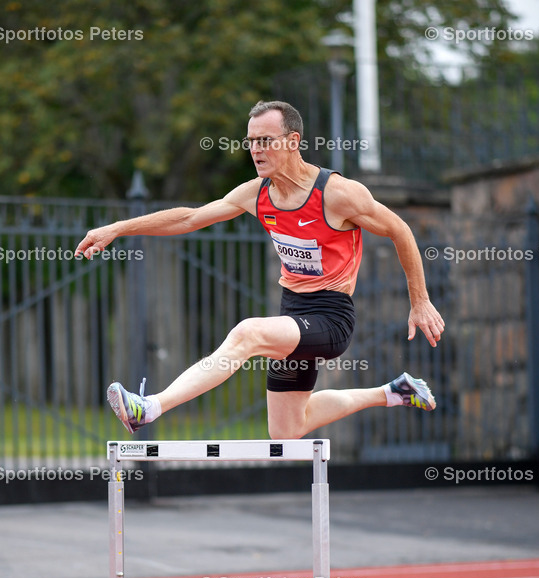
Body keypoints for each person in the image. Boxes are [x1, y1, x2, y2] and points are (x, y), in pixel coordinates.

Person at [76, 101, 444, 438]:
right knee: (286, 430)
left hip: (330, 318)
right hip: (291, 315)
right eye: (251, 141)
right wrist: (118, 228)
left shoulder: (337, 194)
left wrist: (420, 301)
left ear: (293, 141)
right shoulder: (256, 194)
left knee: (248, 333)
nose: (256, 150)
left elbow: (399, 230)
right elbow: (189, 218)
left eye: (266, 140)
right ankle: (393, 392)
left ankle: (149, 407)